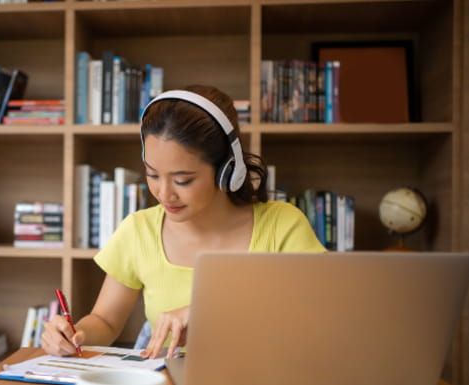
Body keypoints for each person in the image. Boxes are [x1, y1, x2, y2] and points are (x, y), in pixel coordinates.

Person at [42, 85, 325, 360]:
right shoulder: (139, 230)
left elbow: (319, 319)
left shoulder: (283, 226)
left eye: (182, 180)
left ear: (227, 170)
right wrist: (74, 335)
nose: (164, 194)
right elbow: (105, 321)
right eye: (152, 174)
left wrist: (210, 311)